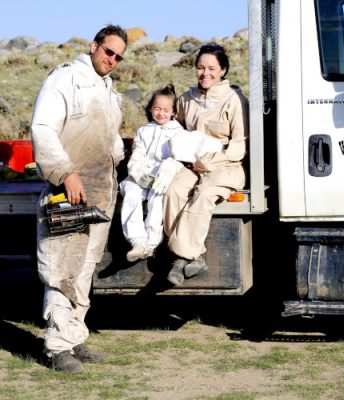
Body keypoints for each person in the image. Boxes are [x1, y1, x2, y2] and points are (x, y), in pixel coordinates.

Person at [30, 25, 128, 373]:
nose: (112, 60)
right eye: (108, 51)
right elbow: (43, 128)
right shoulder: (66, 79)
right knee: (63, 268)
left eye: (118, 57)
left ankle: (74, 337)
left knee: (85, 269)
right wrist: (65, 172)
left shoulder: (107, 88)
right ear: (94, 46)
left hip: (100, 191)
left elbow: (110, 137)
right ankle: (57, 348)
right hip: (67, 190)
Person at [163, 44, 249, 286]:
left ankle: (180, 258)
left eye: (212, 68)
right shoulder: (186, 100)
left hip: (226, 165)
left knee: (204, 193)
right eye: (200, 68)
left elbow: (239, 147)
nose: (205, 73)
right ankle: (194, 255)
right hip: (192, 165)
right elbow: (174, 129)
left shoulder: (235, 100)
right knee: (173, 191)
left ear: (223, 70)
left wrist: (211, 161)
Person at [120, 84, 223, 263]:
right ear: (151, 108)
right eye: (157, 109)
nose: (161, 113)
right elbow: (138, 154)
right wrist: (138, 172)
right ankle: (137, 241)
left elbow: (182, 157)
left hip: (163, 175)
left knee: (158, 197)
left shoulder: (179, 132)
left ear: (173, 112)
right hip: (144, 174)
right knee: (131, 192)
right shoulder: (144, 131)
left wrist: (171, 166)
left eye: (166, 110)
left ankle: (151, 242)